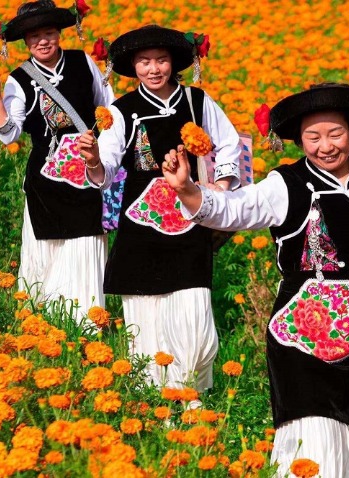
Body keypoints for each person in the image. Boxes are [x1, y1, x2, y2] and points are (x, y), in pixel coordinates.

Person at [162, 83, 349, 476]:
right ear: (299, 140)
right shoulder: (286, 183)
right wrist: (188, 190)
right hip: (299, 339)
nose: (325, 146)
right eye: (312, 137)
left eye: (335, 134)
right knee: (314, 440)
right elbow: (237, 209)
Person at [79, 25, 242, 397]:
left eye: (162, 61)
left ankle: (191, 389)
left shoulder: (198, 102)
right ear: (133, 67)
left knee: (194, 308)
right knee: (145, 308)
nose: (154, 69)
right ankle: (153, 393)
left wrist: (222, 184)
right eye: (145, 62)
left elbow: (230, 146)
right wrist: (92, 161)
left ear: (175, 64)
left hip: (190, 215)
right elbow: (105, 166)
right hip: (141, 221)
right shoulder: (121, 111)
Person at [0, 0, 114, 317]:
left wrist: (105, 156)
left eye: (50, 32)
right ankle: (45, 323)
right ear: (25, 41)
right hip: (46, 184)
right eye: (35, 35)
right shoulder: (17, 79)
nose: (43, 40)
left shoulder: (83, 63)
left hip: (87, 176)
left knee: (86, 247)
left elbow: (109, 111)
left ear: (59, 34)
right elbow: (8, 133)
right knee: (48, 253)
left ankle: (85, 323)